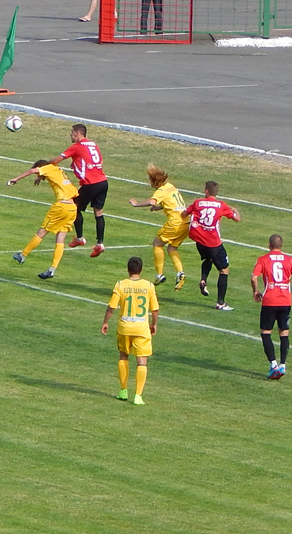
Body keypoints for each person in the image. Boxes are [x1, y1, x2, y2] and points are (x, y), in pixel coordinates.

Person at [101, 257, 159, 406]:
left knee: (123, 356)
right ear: (141, 270)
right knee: (142, 361)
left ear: (128, 269)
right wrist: (154, 324)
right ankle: (138, 395)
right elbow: (155, 309)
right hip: (141, 329)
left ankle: (123, 390)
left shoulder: (121, 285)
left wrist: (105, 322)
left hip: (124, 327)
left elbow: (111, 306)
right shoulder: (149, 286)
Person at [7, 160, 79, 279]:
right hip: (72, 208)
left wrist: (16, 179)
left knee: (42, 232)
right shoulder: (56, 169)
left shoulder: (47, 168)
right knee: (60, 239)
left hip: (61, 207)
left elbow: (33, 170)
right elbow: (49, 175)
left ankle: (23, 255)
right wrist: (40, 178)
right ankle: (52, 270)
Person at [48, 124, 108, 258]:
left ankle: (80, 238)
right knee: (98, 212)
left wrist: (44, 165)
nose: (71, 135)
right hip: (103, 182)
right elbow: (100, 161)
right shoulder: (93, 145)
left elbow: (56, 160)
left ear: (77, 133)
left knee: (73, 207)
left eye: (72, 132)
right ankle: (100, 243)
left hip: (91, 183)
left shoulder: (76, 146)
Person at [128, 163, 189, 290]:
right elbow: (171, 202)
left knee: (157, 244)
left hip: (175, 222)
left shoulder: (160, 191)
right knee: (172, 248)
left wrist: (136, 204)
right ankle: (180, 273)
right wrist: (158, 207)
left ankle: (159, 275)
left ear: (154, 181)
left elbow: (151, 201)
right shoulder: (170, 186)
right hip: (186, 223)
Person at [182, 181, 241, 311]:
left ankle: (203, 279)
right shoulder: (221, 205)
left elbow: (184, 213)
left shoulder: (197, 202)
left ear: (206, 191)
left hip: (199, 241)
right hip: (214, 243)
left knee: (208, 259)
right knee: (224, 270)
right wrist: (235, 210)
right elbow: (237, 219)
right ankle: (220, 303)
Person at [251, 234, 292, 379]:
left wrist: (255, 291)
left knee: (266, 332)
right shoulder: (289, 259)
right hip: (285, 301)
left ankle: (273, 364)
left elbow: (254, 277)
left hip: (270, 300)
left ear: (269, 245)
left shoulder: (263, 259)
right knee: (284, 332)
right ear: (281, 245)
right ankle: (283, 364)